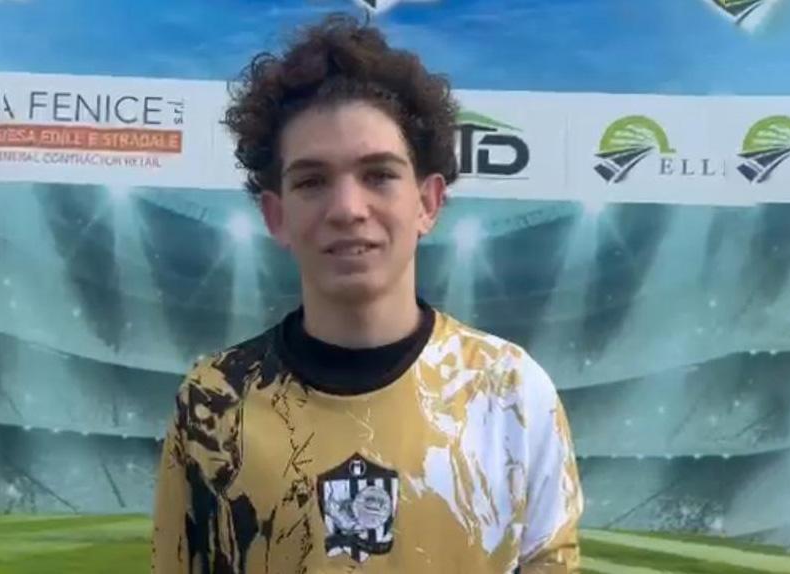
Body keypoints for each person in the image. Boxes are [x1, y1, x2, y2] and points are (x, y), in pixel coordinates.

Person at [152, 12, 583, 573]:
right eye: (312, 181)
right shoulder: (214, 401)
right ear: (276, 216)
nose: (348, 209)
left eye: (378, 175)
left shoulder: (511, 392)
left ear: (427, 203)